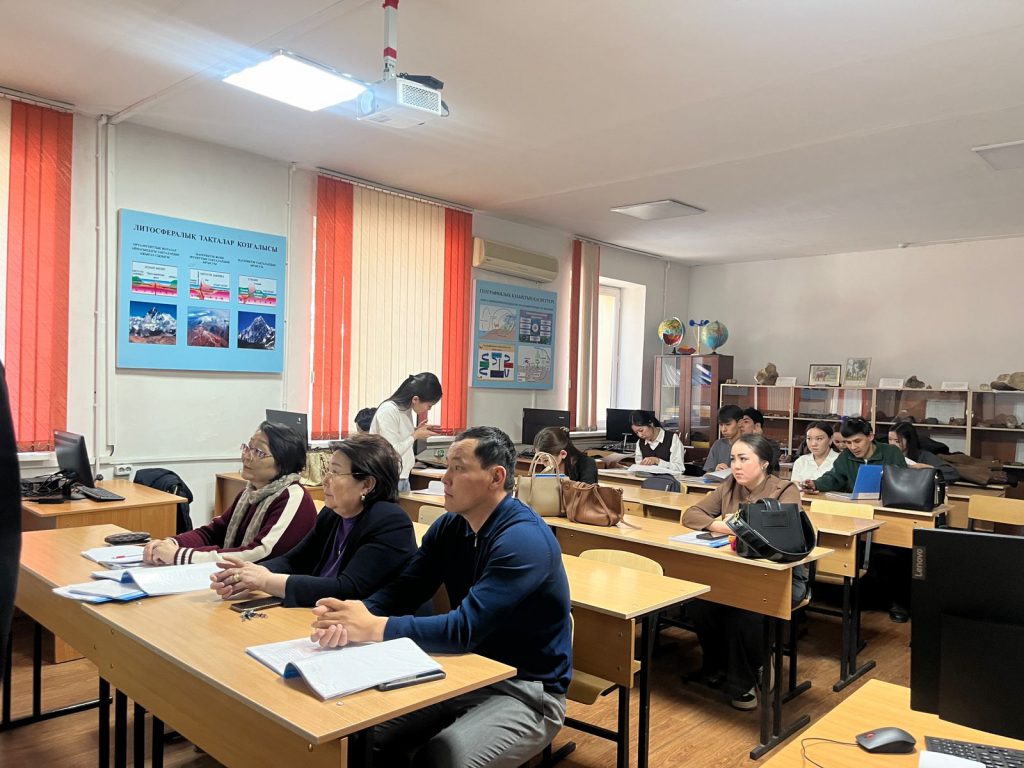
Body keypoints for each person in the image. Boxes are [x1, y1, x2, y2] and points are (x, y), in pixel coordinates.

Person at [308, 426, 571, 767]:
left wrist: (372, 626)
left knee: (441, 760)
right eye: (447, 466)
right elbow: (406, 589)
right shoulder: (451, 527)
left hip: (525, 689)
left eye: (458, 468)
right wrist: (354, 615)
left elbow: (464, 630)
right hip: (462, 671)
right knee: (362, 737)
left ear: (496, 477)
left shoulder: (523, 540)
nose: (445, 478)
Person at [209, 434, 417, 607]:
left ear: (366, 485)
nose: (325, 480)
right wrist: (249, 574)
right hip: (324, 617)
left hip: (379, 631)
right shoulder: (332, 514)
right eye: (328, 470)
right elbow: (294, 561)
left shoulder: (390, 522)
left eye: (335, 472)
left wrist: (266, 581)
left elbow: (347, 589)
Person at [143, 422, 317, 565]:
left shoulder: (292, 497)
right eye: (248, 447)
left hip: (270, 587)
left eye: (258, 452)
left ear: (284, 462)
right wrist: (172, 543)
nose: (247, 456)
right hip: (241, 579)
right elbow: (214, 533)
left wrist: (180, 556)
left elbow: (259, 553)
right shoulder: (250, 492)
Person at [371, 372, 443, 492]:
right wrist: (415, 435)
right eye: (429, 405)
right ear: (415, 399)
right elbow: (392, 451)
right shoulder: (389, 410)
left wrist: (416, 431)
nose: (429, 409)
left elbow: (399, 437)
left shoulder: (405, 409)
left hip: (403, 476)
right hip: (389, 478)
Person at [799, 417, 904, 494]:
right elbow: (834, 478)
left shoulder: (891, 452)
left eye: (857, 441)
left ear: (870, 436)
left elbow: (903, 481)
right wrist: (815, 484)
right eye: (848, 442)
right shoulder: (846, 456)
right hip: (855, 508)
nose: (853, 447)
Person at [888, 421, 959, 484]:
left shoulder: (923, 456)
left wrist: (926, 469)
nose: (892, 444)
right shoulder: (887, 455)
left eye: (897, 441)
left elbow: (952, 473)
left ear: (909, 440)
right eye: (890, 440)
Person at [533, 425, 597, 483]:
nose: (542, 463)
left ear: (563, 454)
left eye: (545, 460)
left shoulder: (587, 464)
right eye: (539, 458)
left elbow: (587, 491)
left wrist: (568, 485)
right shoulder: (548, 464)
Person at [631, 410, 685, 474]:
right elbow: (638, 467)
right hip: (646, 479)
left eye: (641, 430)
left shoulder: (672, 438)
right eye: (636, 433)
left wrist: (657, 461)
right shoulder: (640, 443)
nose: (640, 435)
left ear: (651, 424)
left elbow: (679, 468)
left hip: (668, 479)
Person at [703, 404, 744, 472]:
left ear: (740, 423)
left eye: (728, 424)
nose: (723, 429)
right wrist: (715, 471)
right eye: (721, 425)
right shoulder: (718, 444)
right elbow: (707, 474)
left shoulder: (750, 445)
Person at [739, 407, 781, 473]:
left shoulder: (772, 445)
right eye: (741, 422)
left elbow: (766, 467)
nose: (741, 425)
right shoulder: (739, 444)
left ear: (757, 426)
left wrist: (757, 439)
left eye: (746, 422)